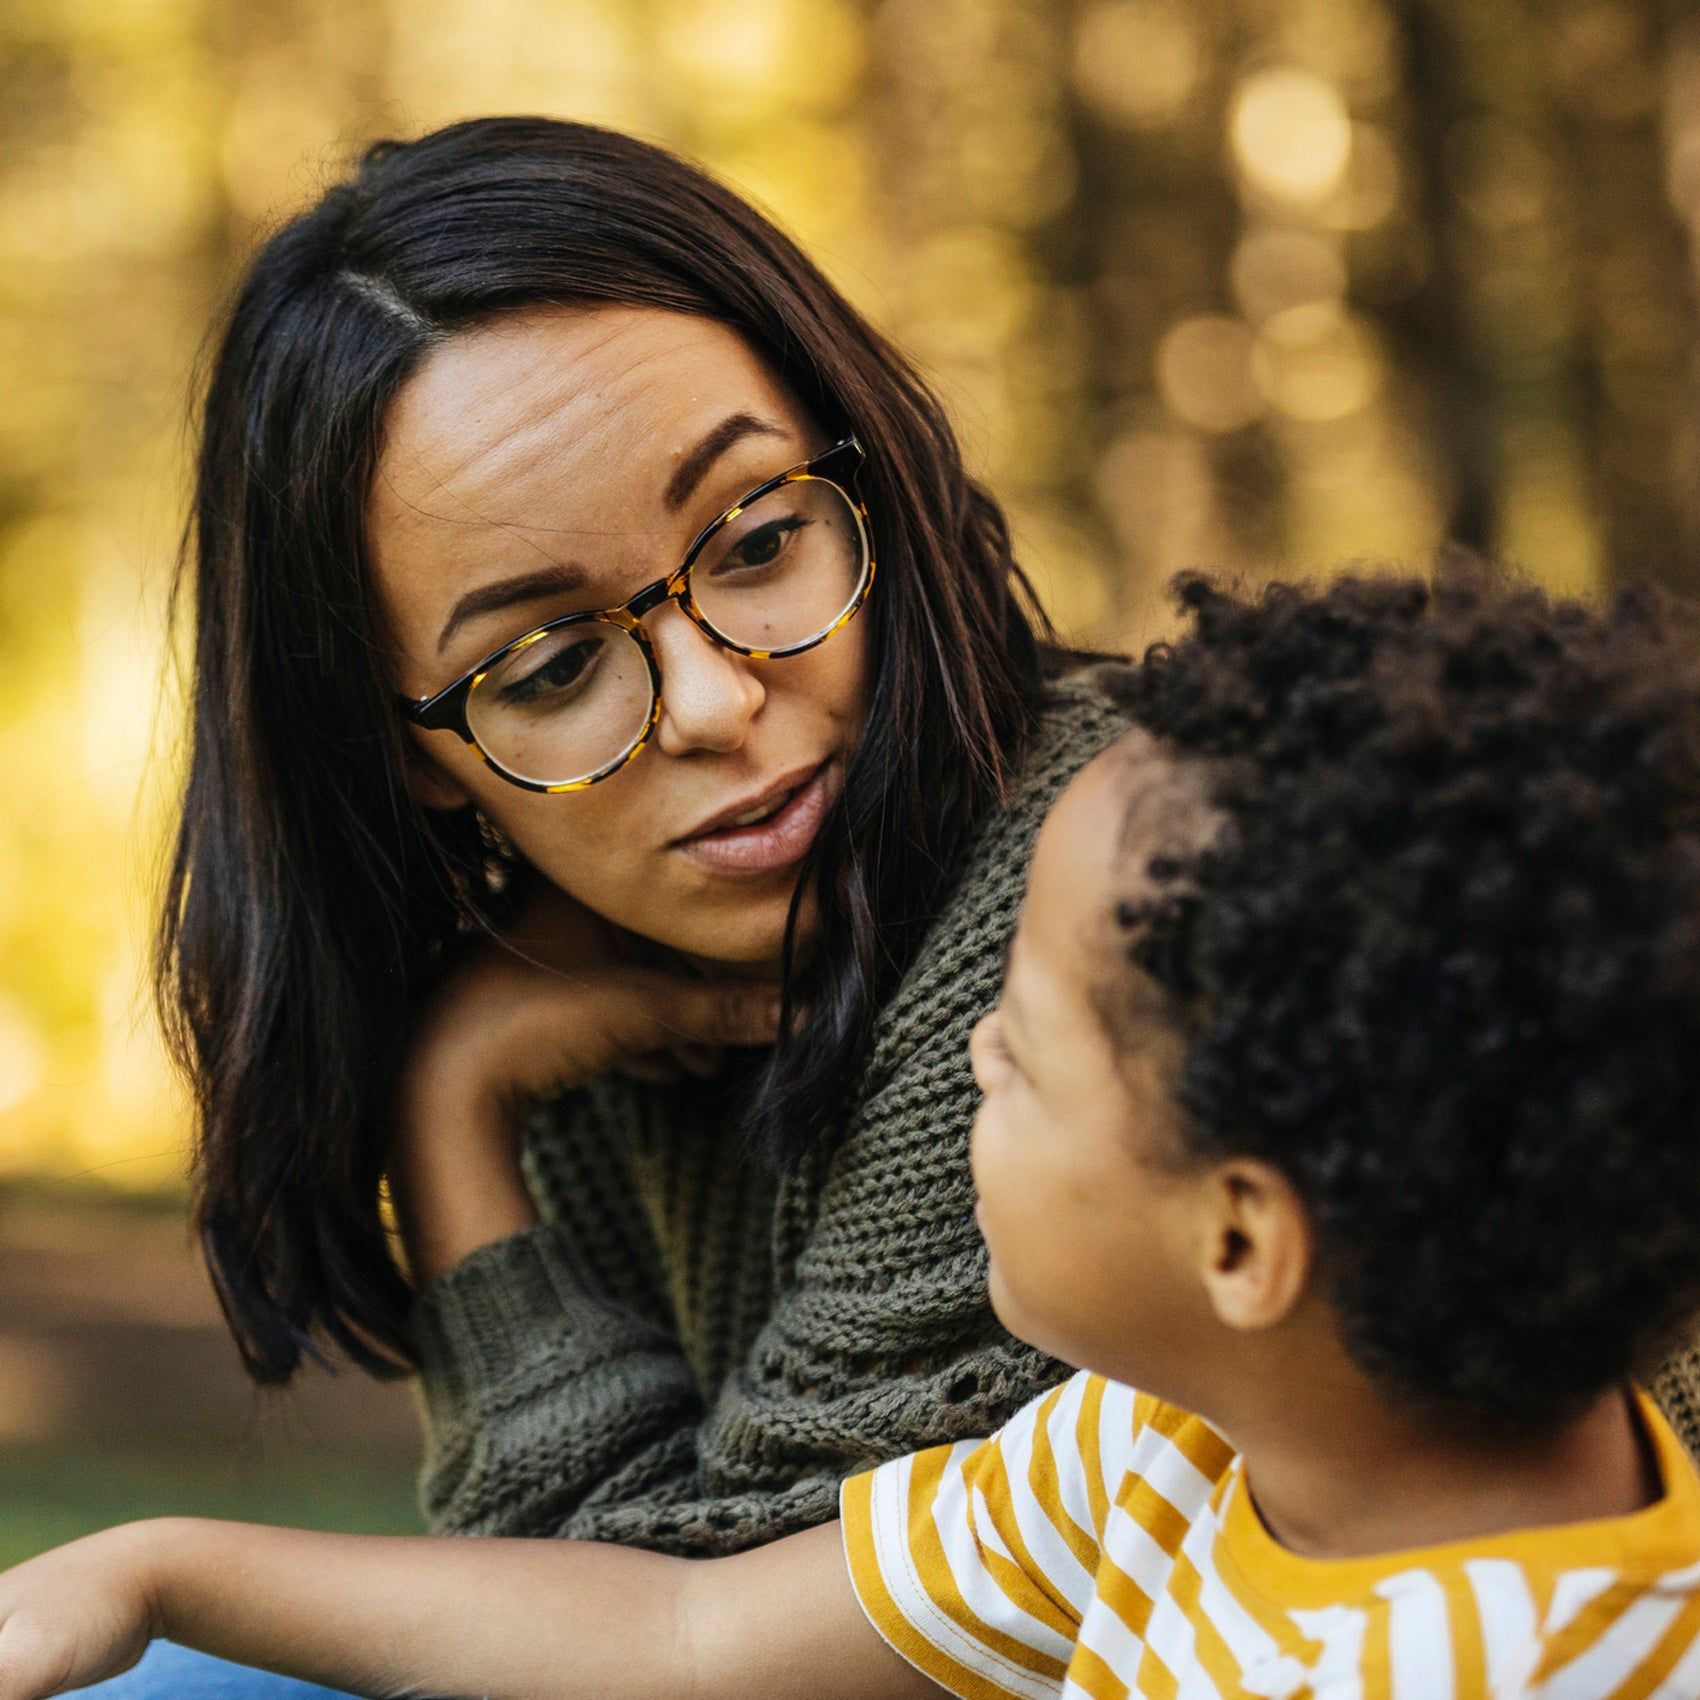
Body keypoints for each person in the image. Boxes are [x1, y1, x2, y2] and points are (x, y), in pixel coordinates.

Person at [9, 567, 1700, 1698]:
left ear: (1242, 1239)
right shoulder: (1165, 1451)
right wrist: (165, 1569)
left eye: (1017, 1057)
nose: (959, 1052)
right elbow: (682, 1635)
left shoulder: (1522, 1663)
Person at [91, 116, 1142, 1694]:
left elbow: (655, 1646)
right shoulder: (601, 976)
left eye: (762, 539)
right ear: (412, 754)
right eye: (556, 667)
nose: (717, 700)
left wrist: (451, 1111)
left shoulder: (1086, 889)